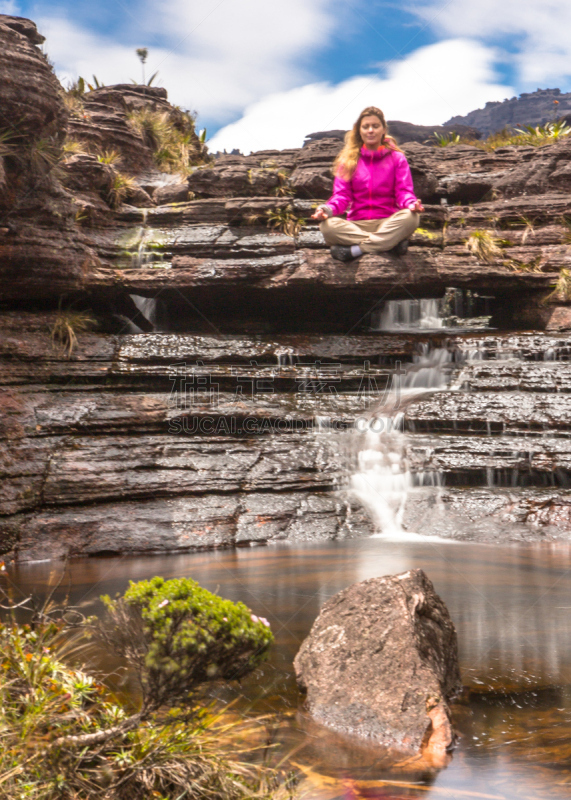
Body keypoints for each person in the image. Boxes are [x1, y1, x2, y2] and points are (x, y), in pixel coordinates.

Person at [311, 106, 424, 261]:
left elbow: (403, 191)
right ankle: (390, 244)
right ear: (359, 131)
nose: (370, 130)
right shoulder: (348, 161)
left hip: (388, 222)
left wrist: (411, 204)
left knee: (411, 217)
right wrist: (326, 210)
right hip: (357, 225)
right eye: (366, 127)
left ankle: (355, 250)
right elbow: (341, 196)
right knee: (327, 226)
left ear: (383, 129)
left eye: (375, 126)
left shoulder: (397, 158)